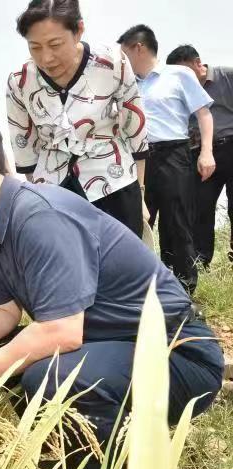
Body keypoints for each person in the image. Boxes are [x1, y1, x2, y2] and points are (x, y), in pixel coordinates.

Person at [0, 129, 223, 469]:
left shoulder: (38, 216)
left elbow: (61, 331)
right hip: (109, 343)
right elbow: (1, 310)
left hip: (176, 354)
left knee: (48, 378)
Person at [6, 0, 149, 238]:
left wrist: (141, 194)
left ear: (78, 30)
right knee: (67, 265)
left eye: (55, 44)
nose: (46, 58)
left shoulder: (112, 62)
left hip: (113, 180)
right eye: (35, 47)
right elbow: (25, 148)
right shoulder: (19, 81)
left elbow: (136, 129)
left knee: (124, 263)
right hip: (54, 189)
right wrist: (39, 198)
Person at [117, 24, 215, 294]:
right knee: (138, 224)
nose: (121, 60)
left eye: (124, 53)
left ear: (139, 47)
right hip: (137, 161)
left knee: (178, 224)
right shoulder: (125, 84)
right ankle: (144, 290)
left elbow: (204, 114)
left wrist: (206, 152)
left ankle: (183, 292)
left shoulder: (179, 74)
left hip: (173, 155)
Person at [166, 45, 233, 266]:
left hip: (230, 145)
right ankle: (200, 261)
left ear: (198, 63)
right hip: (202, 154)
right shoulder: (180, 92)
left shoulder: (226, 76)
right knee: (199, 207)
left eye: (184, 72)